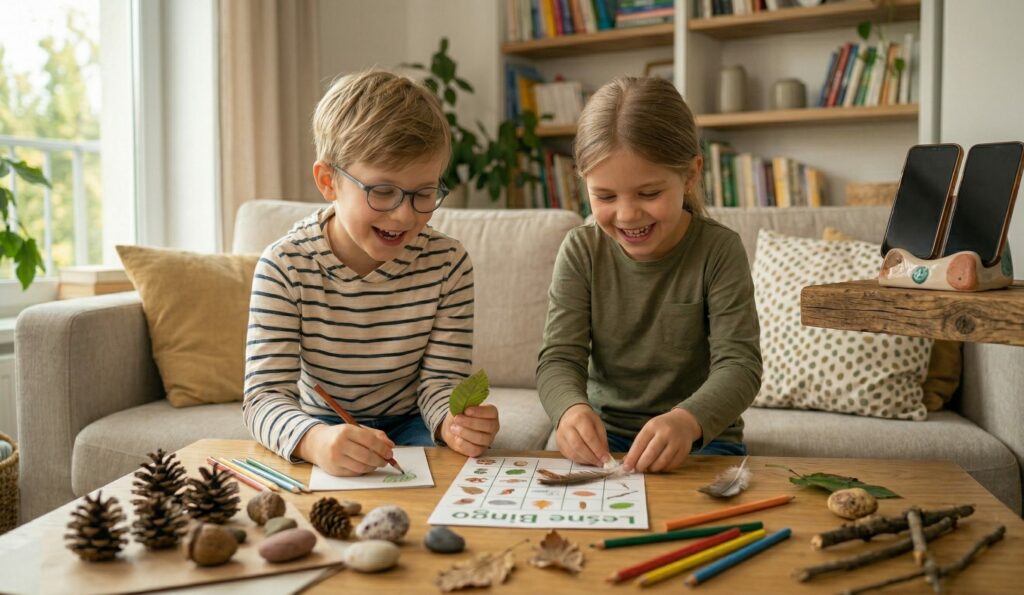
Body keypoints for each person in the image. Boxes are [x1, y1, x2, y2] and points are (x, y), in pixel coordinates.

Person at [243, 70, 499, 476]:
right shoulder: (285, 266)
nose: (403, 214)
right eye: (382, 191)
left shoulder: (448, 264)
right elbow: (263, 399)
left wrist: (454, 423)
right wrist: (314, 440)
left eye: (425, 193)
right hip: (321, 429)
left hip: (413, 425)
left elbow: (440, 383)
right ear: (328, 181)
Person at [537, 76, 762, 473]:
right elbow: (559, 358)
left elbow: (740, 366)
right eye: (605, 196)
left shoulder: (719, 250)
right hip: (604, 441)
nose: (627, 215)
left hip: (702, 441)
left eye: (648, 194)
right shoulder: (581, 250)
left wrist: (686, 420)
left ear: (690, 176)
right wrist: (570, 410)